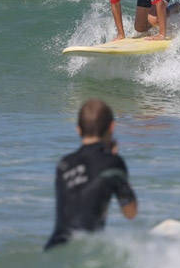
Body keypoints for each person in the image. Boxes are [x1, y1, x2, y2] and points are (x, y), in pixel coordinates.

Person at [44, 99, 137, 251]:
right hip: (84, 248)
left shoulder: (63, 164)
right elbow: (130, 212)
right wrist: (118, 169)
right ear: (112, 128)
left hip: (53, 247)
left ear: (78, 130)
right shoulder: (113, 163)